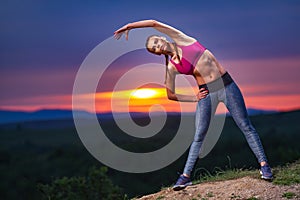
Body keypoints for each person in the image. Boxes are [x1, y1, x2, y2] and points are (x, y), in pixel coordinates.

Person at [114, 19, 273, 191]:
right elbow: (170, 94)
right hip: (206, 93)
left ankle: (264, 166)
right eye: (155, 49)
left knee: (245, 126)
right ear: (157, 53)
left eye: (157, 42)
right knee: (199, 135)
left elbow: (153, 22)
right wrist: (194, 97)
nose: (158, 46)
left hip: (227, 86)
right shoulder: (171, 67)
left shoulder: (182, 39)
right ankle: (185, 177)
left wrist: (129, 26)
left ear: (162, 38)